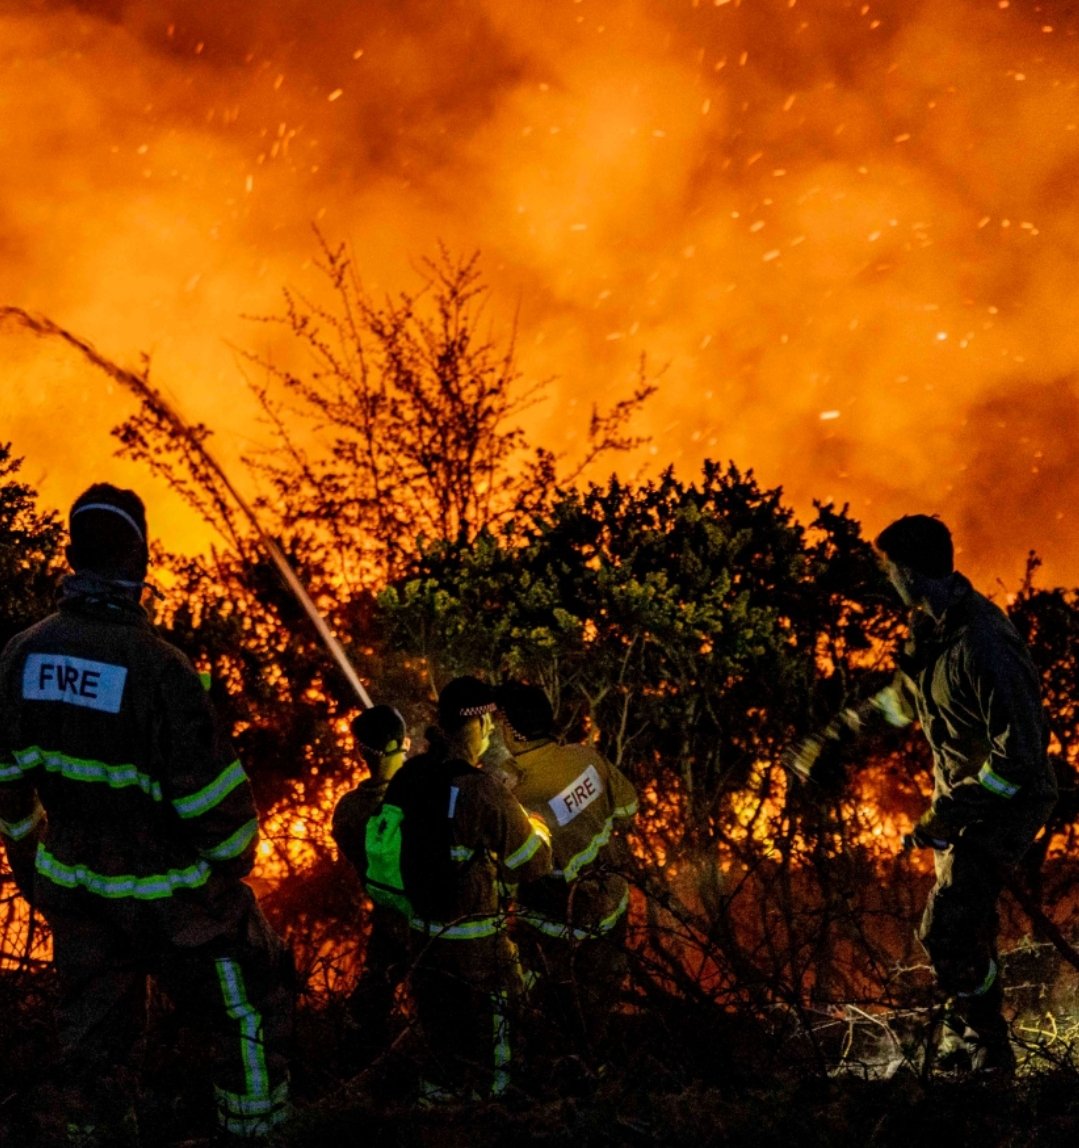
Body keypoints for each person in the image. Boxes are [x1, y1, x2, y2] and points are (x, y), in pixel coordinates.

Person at [0, 483, 292, 1141]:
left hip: (75, 888)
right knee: (249, 1006)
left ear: (71, 553)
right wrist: (231, 865)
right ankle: (258, 1135)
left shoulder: (21, 655)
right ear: (140, 558)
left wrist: (37, 872)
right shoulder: (160, 669)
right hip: (175, 898)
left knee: (93, 1046)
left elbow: (10, 789)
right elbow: (219, 817)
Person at [787, 514, 1057, 1074]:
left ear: (910, 572)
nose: (887, 579)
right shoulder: (933, 630)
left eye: (890, 569)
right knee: (966, 922)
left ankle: (989, 1049)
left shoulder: (985, 645)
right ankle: (969, 1028)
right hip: (965, 797)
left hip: (1006, 800)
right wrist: (831, 739)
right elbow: (904, 699)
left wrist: (948, 813)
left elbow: (1021, 757)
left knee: (947, 925)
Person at [365, 675, 552, 1100]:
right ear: (483, 724)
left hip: (424, 944)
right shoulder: (481, 788)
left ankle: (439, 1120)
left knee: (438, 1047)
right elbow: (531, 863)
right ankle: (497, 1118)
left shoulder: (410, 775)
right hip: (479, 951)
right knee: (499, 1044)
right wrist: (537, 829)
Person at [496, 681, 638, 1061]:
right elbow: (627, 811)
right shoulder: (587, 758)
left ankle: (555, 1091)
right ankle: (597, 1078)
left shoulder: (520, 799)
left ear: (511, 730)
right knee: (597, 1014)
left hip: (554, 931)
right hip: (613, 911)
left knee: (553, 1025)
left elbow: (509, 876)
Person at [331, 704, 411, 1065]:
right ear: (402, 743)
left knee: (375, 992)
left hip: (386, 917)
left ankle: (359, 1064)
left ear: (361, 751)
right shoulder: (419, 800)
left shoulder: (348, 810)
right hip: (430, 919)